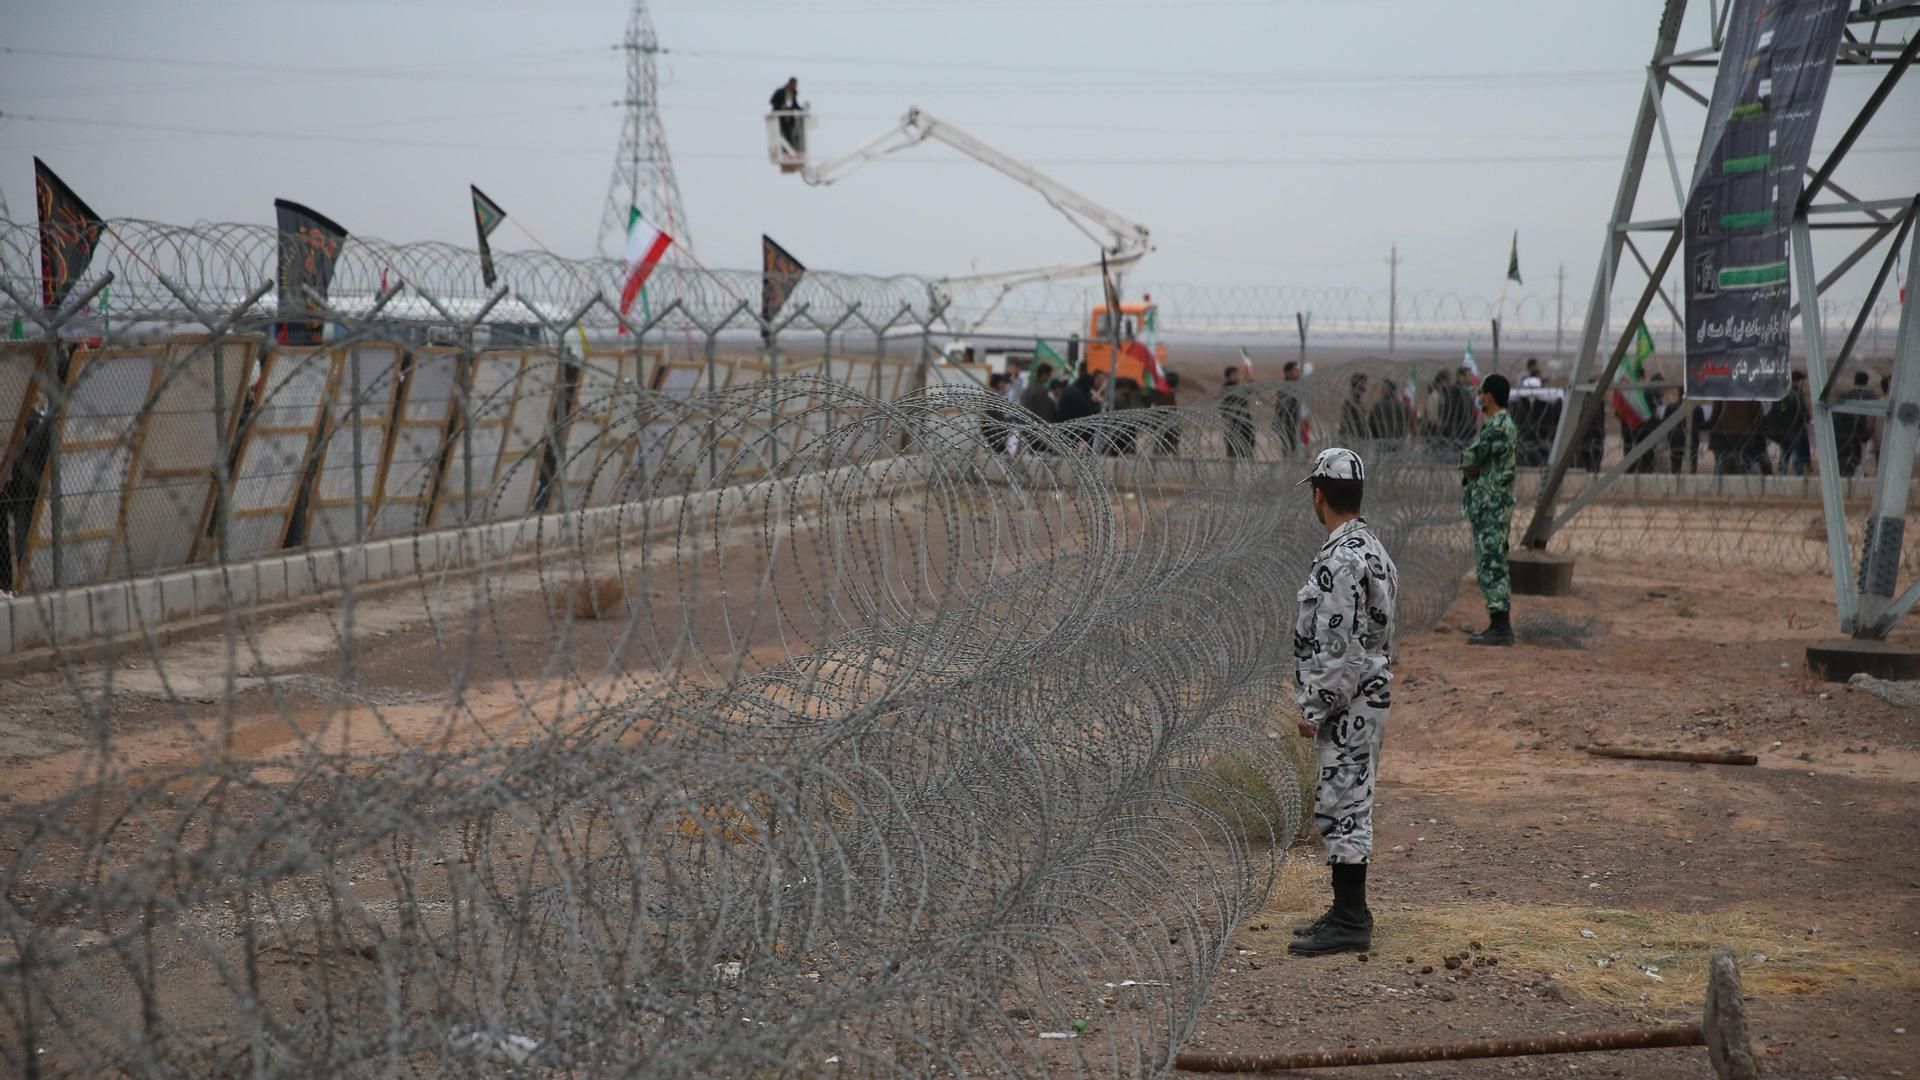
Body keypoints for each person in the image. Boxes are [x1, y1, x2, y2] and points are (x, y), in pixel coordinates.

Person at [1287, 446, 1399, 958]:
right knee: (1349, 800)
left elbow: (1338, 652)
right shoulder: (1373, 548)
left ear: (1318, 496)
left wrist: (1315, 706)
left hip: (1348, 703)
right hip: (1367, 696)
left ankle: (1351, 918)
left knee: (1344, 804)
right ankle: (1347, 909)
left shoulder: (1340, 559)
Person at [1460, 373, 1517, 646]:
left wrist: (1471, 464)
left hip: (1492, 505)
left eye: (1481, 392)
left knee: (1492, 563)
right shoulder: (1496, 425)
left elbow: (1470, 457)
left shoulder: (1498, 427)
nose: (1479, 397)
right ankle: (1498, 623)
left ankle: (1501, 626)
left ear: (1489, 396)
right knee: (1490, 561)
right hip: (1488, 504)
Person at [1836, 371, 1875, 477]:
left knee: (1850, 454)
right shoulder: (1871, 397)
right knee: (1863, 455)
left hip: (1847, 432)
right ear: (1866, 382)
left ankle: (1850, 472)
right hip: (1863, 433)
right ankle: (1859, 475)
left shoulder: (1846, 395)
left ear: (1855, 381)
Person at [1220, 367, 1255, 458]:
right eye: (1234, 374)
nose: (1237, 376)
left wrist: (1250, 382)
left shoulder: (1238, 389)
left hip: (1245, 425)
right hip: (1234, 426)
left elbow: (1249, 391)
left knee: (1247, 452)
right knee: (1234, 454)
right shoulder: (1227, 389)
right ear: (1227, 377)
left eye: (1237, 374)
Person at [1273, 360, 1304, 455]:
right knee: (1289, 449)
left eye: (1298, 370)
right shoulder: (1285, 388)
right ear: (1287, 372)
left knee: (1294, 448)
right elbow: (1284, 407)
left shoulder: (1296, 386)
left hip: (1295, 423)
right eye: (1295, 370)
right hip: (1287, 423)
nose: (1298, 373)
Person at [1369, 377, 1409, 442]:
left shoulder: (1378, 406)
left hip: (1381, 440)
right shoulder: (1402, 406)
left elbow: (1372, 424)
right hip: (1398, 440)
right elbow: (1406, 423)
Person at [770, 78, 803, 156]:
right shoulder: (780, 92)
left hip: (789, 119)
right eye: (794, 84)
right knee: (781, 134)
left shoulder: (793, 94)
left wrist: (801, 109)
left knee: (789, 134)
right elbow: (773, 101)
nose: (795, 86)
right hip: (780, 118)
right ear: (790, 84)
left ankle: (789, 151)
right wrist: (781, 107)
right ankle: (784, 151)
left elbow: (794, 105)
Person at [1338, 372, 1370, 444]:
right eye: (1363, 384)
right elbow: (1347, 424)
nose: (1365, 387)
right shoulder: (1351, 402)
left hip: (1354, 440)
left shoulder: (1356, 401)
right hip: (1352, 441)